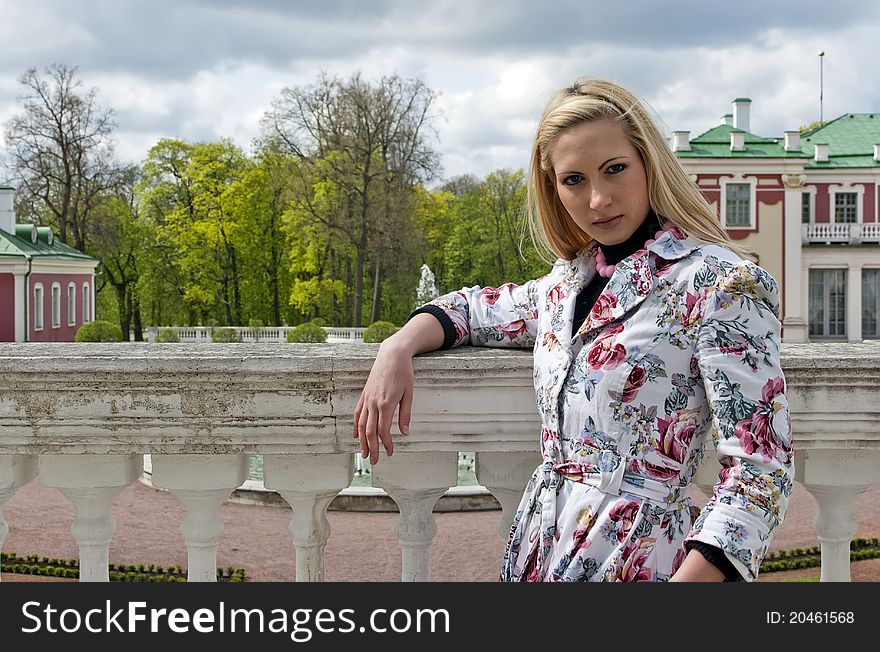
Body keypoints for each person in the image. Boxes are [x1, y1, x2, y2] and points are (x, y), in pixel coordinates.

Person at [353, 78, 793, 582]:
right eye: (574, 180)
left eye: (615, 170)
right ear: (553, 188)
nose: (598, 199)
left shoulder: (720, 284)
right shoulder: (566, 285)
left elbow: (761, 471)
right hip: (538, 552)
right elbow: (473, 310)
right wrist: (397, 346)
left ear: (649, 162)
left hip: (641, 562)